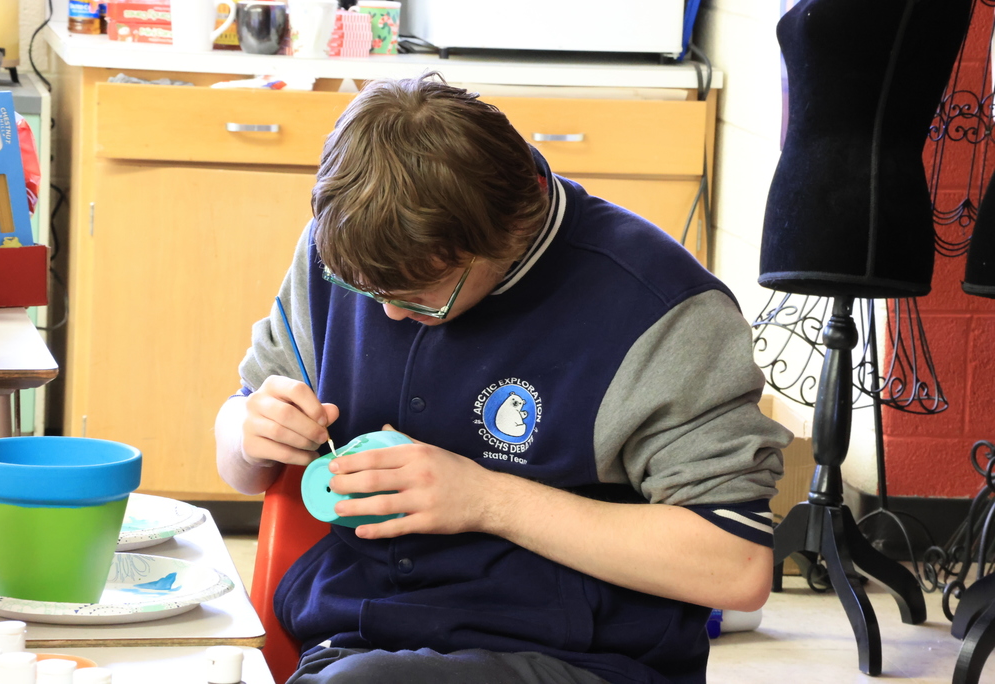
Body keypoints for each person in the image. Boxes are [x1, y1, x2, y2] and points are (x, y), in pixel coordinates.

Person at [215, 73, 791, 684]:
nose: (384, 313)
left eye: (421, 296)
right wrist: (249, 432)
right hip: (355, 641)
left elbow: (736, 566)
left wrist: (487, 501)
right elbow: (240, 456)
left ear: (514, 230)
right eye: (364, 288)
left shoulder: (662, 309)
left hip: (580, 659)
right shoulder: (350, 254)